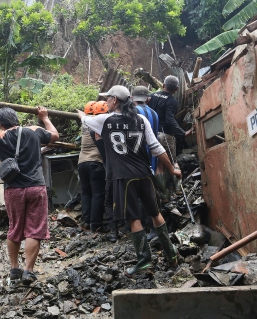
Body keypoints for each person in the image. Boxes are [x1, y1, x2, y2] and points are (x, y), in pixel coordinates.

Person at [78, 85, 182, 275]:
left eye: (107, 98)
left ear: (115, 100)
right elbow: (156, 147)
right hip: (145, 173)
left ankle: (144, 262)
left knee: (134, 218)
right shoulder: (141, 119)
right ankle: (171, 254)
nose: (106, 102)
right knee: (155, 213)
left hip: (123, 177)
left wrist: (80, 115)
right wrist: (172, 168)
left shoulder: (104, 120)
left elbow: (85, 119)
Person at [0, 97, 59, 284]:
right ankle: (29, 271)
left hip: (13, 190)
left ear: (1, 124)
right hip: (36, 186)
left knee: (15, 228)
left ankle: (14, 269)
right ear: (17, 119)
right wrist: (45, 117)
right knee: (34, 230)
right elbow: (54, 135)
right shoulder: (34, 132)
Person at [148, 76, 193, 201]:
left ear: (163, 85)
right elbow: (169, 119)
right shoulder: (172, 101)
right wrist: (182, 133)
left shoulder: (152, 96)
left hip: (152, 136)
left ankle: (164, 195)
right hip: (166, 135)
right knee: (173, 161)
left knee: (159, 165)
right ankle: (178, 189)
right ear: (177, 89)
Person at [132, 85, 160, 241]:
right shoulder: (154, 113)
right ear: (148, 99)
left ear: (131, 99)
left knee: (138, 196)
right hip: (152, 160)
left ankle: (143, 229)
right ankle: (153, 228)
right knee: (150, 195)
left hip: (137, 161)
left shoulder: (134, 113)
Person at [78, 101, 106, 232]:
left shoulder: (85, 122)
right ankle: (96, 225)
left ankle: (85, 221)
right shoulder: (100, 123)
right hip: (95, 162)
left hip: (82, 162)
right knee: (97, 194)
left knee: (86, 192)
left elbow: (82, 115)